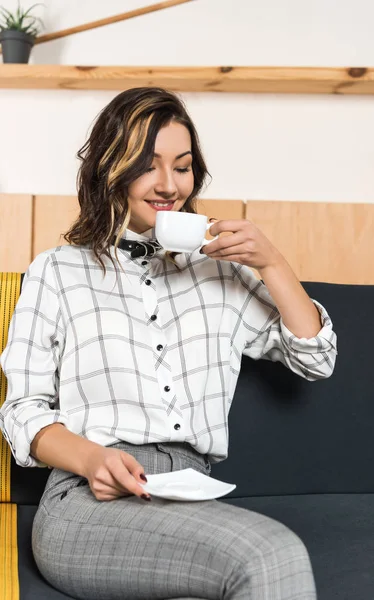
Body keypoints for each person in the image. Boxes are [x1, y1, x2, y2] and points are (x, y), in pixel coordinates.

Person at [0, 87, 337, 600]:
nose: (167, 184)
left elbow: (316, 358)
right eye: (148, 165)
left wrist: (272, 263)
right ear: (110, 168)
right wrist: (92, 459)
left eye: (182, 168)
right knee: (270, 551)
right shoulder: (56, 272)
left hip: (189, 497)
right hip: (90, 501)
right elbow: (24, 410)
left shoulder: (221, 273)